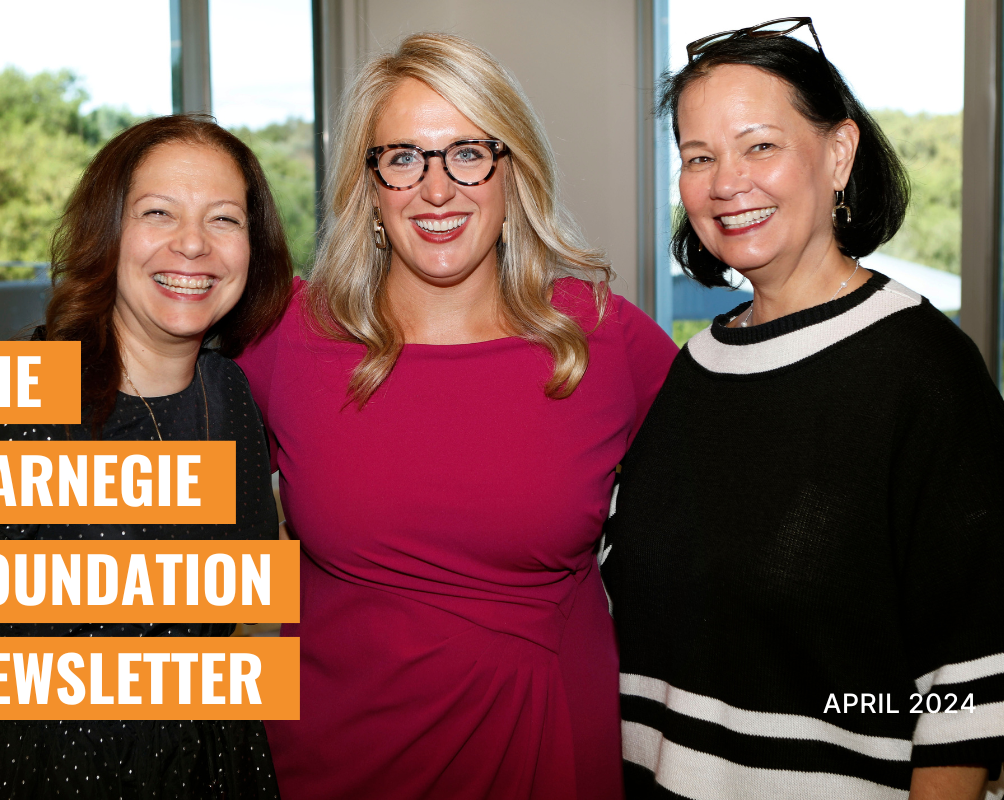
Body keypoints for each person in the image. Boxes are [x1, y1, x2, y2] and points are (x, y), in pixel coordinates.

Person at [599, 18, 1004, 800]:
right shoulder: (696, 370)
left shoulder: (923, 372)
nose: (726, 182)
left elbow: (965, 693)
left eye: (759, 145)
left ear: (839, 154)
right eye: (699, 157)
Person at [236, 32, 679, 800]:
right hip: (331, 766)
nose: (436, 190)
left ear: (513, 173)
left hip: (546, 756)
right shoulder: (292, 337)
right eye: (403, 158)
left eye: (468, 153)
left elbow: (735, 512)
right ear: (369, 187)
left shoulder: (602, 337)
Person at [0, 114, 293, 799]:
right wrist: (18, 771)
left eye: (224, 219)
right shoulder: (20, 397)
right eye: (158, 212)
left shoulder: (232, 395)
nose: (193, 243)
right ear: (107, 233)